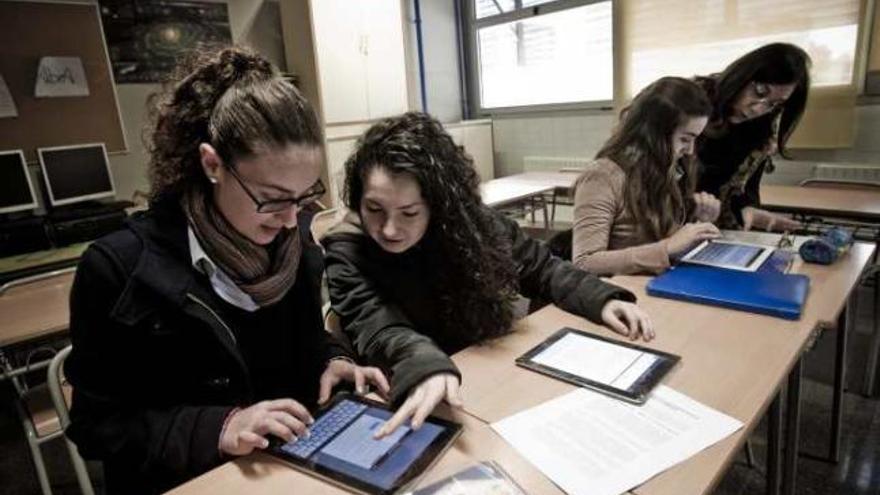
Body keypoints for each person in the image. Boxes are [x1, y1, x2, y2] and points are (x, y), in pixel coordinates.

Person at [64, 46, 388, 494]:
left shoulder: (294, 245)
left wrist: (333, 359)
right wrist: (221, 427)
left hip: (290, 470)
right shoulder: (119, 270)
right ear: (212, 164)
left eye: (302, 197)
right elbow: (98, 426)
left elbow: (301, 343)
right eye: (272, 199)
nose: (290, 220)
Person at [321, 112, 654, 439]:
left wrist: (600, 298)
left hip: (483, 376)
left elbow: (542, 267)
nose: (390, 229)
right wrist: (425, 364)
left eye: (409, 213)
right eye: (374, 209)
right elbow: (382, 328)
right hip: (417, 389)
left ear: (438, 205)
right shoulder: (347, 251)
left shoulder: (470, 226)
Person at [572, 77, 722, 276]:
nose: (690, 150)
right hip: (617, 292)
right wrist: (667, 247)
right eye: (685, 139)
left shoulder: (668, 169)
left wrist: (698, 223)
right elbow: (585, 262)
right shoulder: (603, 176)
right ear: (653, 133)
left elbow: (660, 237)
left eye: (695, 139)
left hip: (656, 282)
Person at [696, 43, 810, 231]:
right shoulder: (693, 101)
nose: (758, 109)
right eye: (759, 92)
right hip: (666, 223)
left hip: (709, 225)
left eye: (774, 104)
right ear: (742, 76)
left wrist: (747, 208)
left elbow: (744, 187)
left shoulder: (762, 127)